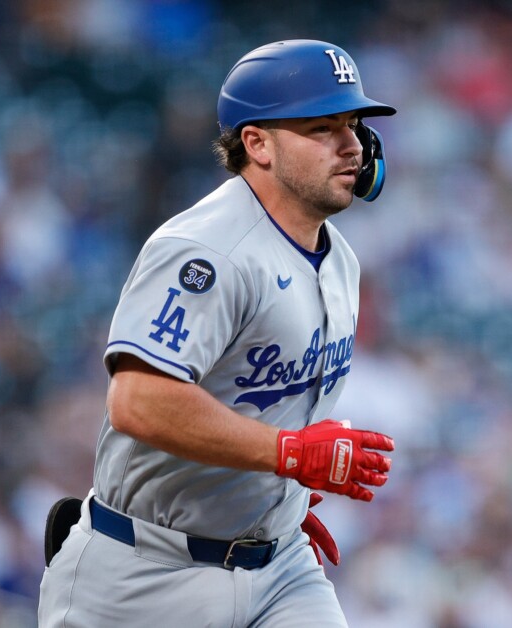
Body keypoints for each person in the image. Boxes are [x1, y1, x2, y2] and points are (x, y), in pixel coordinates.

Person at [38, 39, 397, 627]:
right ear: (257, 144)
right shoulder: (207, 251)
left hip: (282, 567)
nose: (352, 145)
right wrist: (287, 455)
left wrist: (266, 503)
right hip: (145, 573)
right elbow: (138, 400)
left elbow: (263, 407)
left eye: (354, 124)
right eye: (322, 127)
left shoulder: (341, 261)